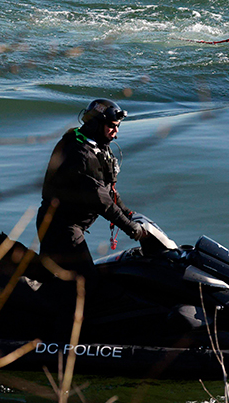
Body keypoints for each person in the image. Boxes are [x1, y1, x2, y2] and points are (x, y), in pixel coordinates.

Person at [36, 99, 147, 279]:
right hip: (60, 227)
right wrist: (130, 228)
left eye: (117, 126)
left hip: (65, 226)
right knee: (86, 283)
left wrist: (129, 214)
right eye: (111, 126)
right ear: (95, 123)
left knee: (55, 280)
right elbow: (101, 200)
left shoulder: (95, 146)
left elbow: (109, 191)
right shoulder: (80, 153)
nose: (116, 131)